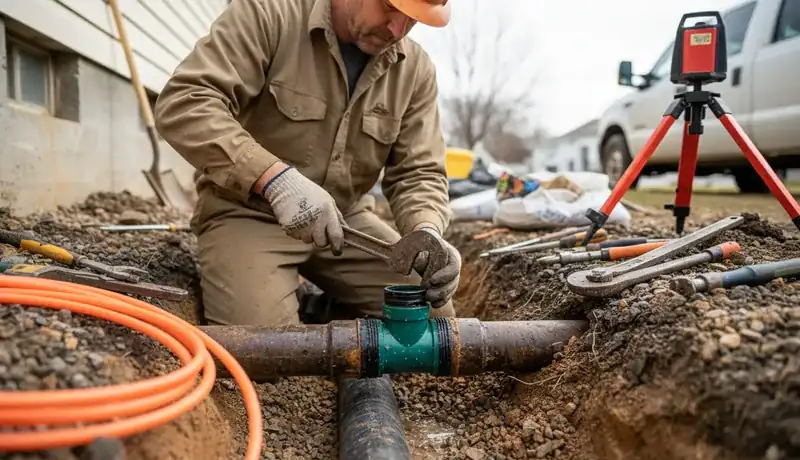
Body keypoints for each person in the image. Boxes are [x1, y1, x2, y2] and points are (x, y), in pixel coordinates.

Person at [153, 0, 461, 326]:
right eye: (389, 7)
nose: (397, 30)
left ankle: (326, 315)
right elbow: (186, 102)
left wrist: (427, 232)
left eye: (412, 20)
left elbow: (419, 171)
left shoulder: (415, 70)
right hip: (249, 213)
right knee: (265, 345)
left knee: (430, 316)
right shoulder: (269, 14)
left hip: (346, 222)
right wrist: (274, 180)